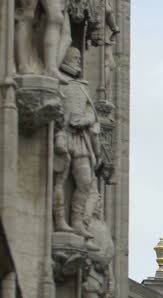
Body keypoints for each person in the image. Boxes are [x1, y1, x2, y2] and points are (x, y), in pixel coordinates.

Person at [54, 47, 100, 237]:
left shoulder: (82, 85)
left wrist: (85, 120)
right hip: (63, 134)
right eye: (75, 58)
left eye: (80, 59)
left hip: (81, 138)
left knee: (85, 182)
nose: (79, 62)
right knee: (60, 180)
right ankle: (59, 220)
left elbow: (91, 112)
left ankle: (77, 221)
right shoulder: (59, 82)